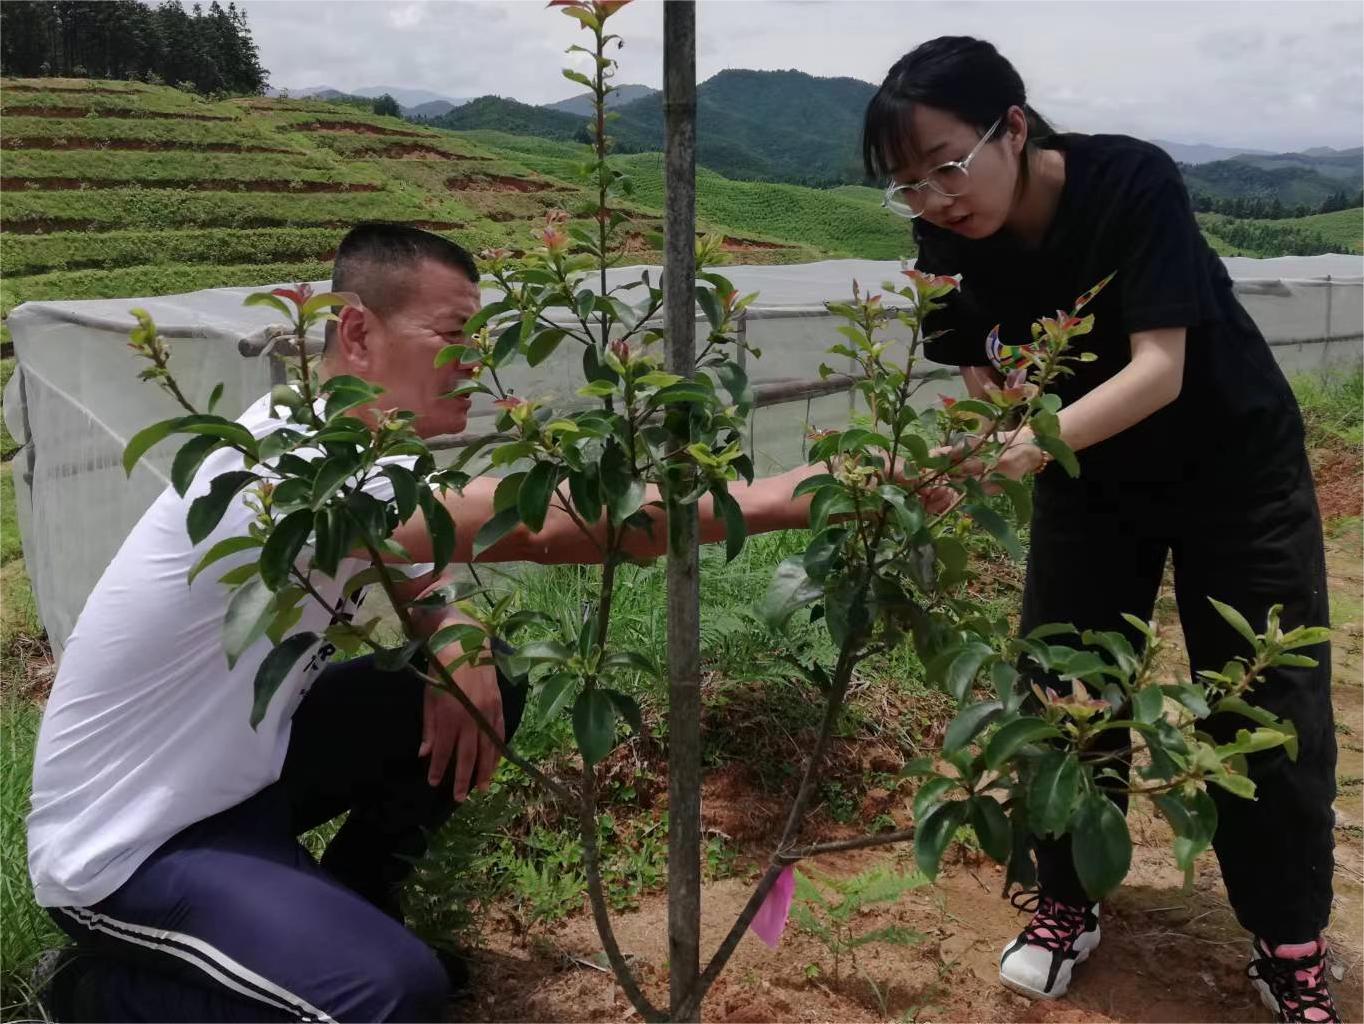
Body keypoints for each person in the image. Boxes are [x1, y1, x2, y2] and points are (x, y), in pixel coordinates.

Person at [26, 223, 828, 1022]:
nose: (476, 360)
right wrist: (795, 493)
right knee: (386, 997)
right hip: (130, 844)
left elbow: (427, 585)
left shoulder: (362, 454)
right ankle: (95, 992)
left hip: (234, 776)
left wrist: (457, 633)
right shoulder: (289, 465)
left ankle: (349, 910)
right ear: (356, 331)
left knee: (497, 675)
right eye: (452, 334)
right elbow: (556, 527)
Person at [862, 37, 1338, 1023]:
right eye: (908, 187)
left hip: (1230, 465)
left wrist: (1022, 446)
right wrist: (994, 425)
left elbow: (1157, 367)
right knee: (1064, 680)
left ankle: (1287, 938)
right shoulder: (946, 240)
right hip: (1087, 472)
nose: (935, 201)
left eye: (946, 166)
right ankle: (1066, 899)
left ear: (1014, 128)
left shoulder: (1128, 182)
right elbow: (975, 364)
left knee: (1262, 697)